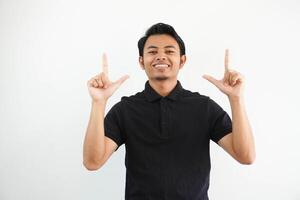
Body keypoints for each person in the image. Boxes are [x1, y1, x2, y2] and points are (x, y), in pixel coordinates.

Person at [83, 23, 255, 200]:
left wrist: (236, 98)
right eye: (152, 52)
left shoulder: (204, 107)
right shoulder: (126, 109)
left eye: (169, 51)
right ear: (141, 61)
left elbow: (245, 156)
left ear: (182, 60)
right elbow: (92, 162)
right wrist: (98, 102)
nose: (160, 56)